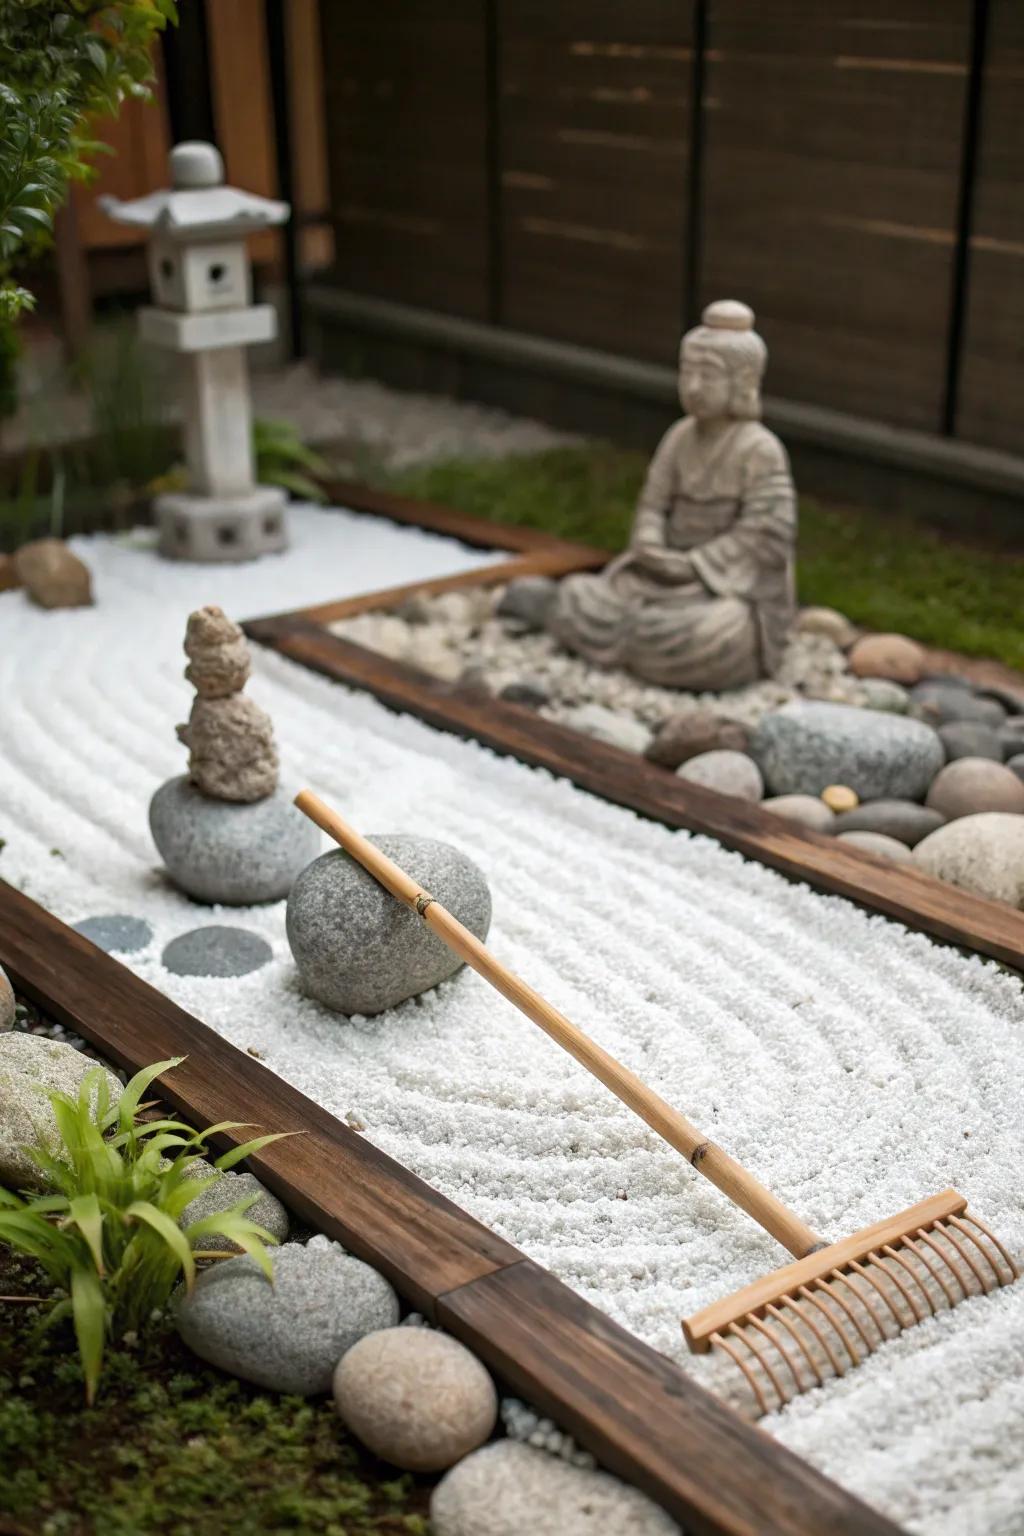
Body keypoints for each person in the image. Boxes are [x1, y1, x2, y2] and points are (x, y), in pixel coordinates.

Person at [548, 300, 796, 690]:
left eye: (708, 376)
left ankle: (640, 641)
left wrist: (696, 564)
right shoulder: (679, 436)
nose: (693, 387)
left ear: (743, 382)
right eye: (687, 373)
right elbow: (653, 505)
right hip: (657, 577)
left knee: (722, 631)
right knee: (577, 596)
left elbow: (766, 534)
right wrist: (649, 542)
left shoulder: (759, 449)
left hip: (713, 586)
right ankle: (642, 640)